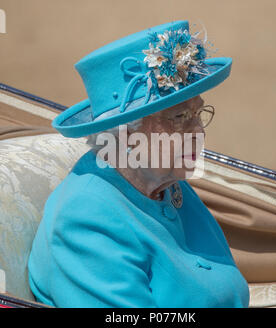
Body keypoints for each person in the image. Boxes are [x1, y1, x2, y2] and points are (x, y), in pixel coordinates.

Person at [28, 20, 250, 308]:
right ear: (126, 134)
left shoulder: (167, 185)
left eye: (198, 113)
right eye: (180, 118)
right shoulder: (86, 220)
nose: (199, 132)